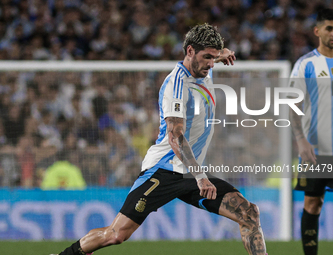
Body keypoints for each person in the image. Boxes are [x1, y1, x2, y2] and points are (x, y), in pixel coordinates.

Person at [54, 23, 267, 255]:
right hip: (164, 170)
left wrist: (223, 54)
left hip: (190, 173)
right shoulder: (176, 86)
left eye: (213, 58)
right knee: (116, 235)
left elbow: (214, 56)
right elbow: (176, 136)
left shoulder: (204, 66)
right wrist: (200, 177)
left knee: (249, 213)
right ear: (189, 52)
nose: (210, 63)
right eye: (207, 57)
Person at [289, 8, 333, 255]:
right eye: (329, 28)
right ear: (318, 31)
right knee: (313, 203)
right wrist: (300, 141)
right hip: (315, 150)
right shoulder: (306, 64)